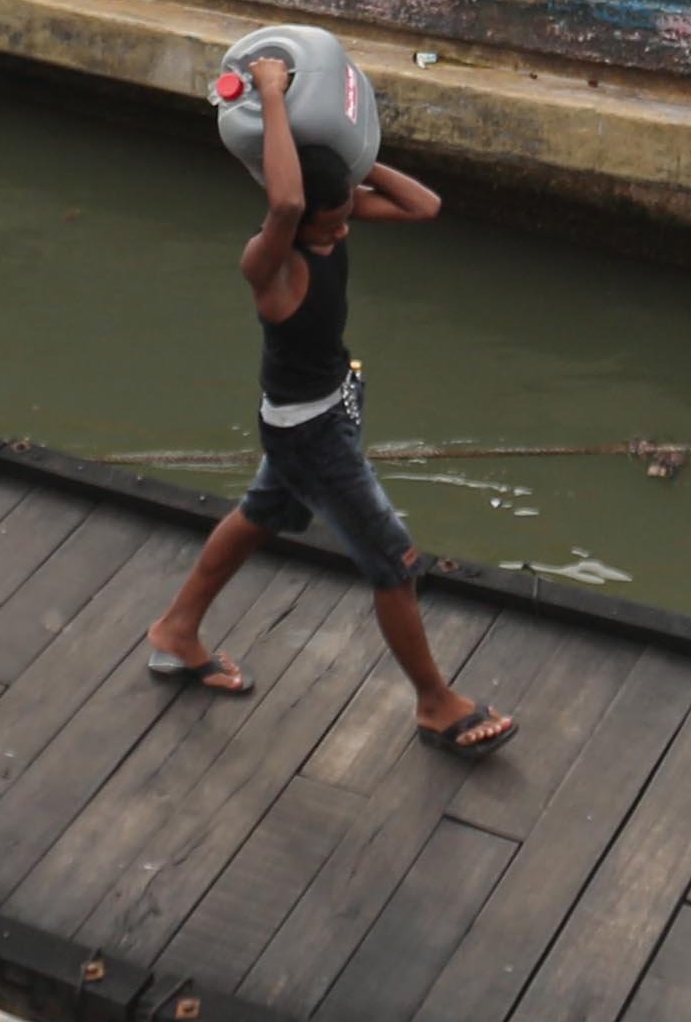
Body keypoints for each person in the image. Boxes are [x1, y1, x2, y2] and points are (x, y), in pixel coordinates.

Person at [133, 55, 511, 753]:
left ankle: (176, 629)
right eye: (331, 224)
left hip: (330, 408)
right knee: (393, 561)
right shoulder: (268, 261)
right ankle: (435, 702)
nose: (342, 233)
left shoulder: (327, 215)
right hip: (311, 433)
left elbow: (424, 205)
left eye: (346, 220)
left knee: (263, 513)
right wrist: (273, 95)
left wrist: (358, 157)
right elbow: (283, 205)